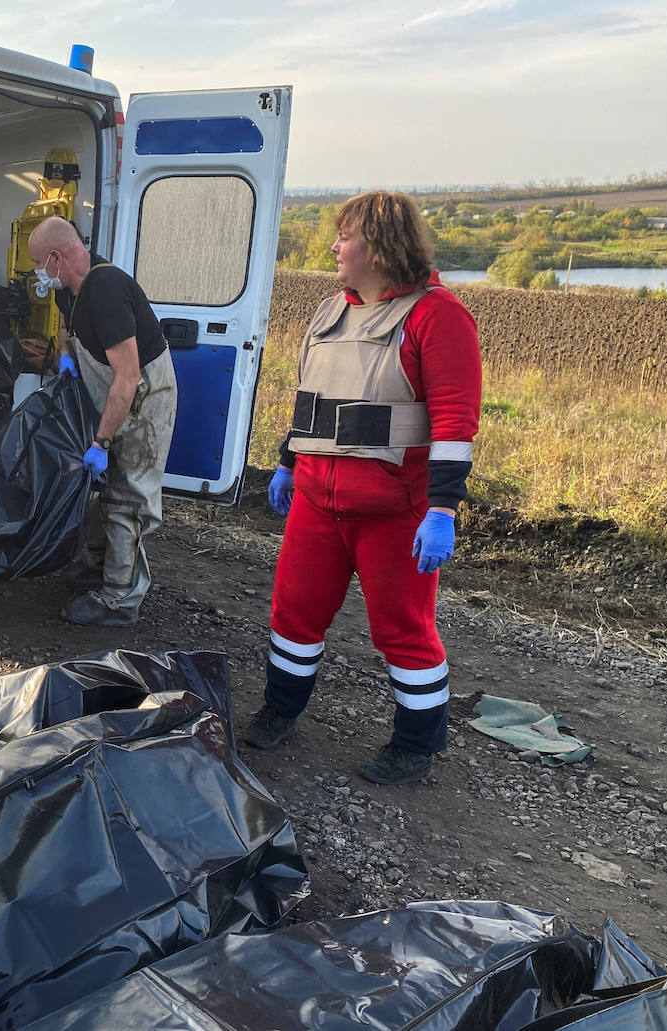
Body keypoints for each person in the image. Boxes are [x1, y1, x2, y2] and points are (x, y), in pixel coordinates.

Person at [247, 191, 481, 785]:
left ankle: (416, 746)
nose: (334, 246)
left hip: (394, 512)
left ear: (376, 247)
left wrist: (443, 509)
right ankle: (279, 710)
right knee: (293, 616)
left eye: (344, 236)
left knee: (403, 631)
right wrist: (286, 462)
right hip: (316, 503)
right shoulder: (329, 313)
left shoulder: (437, 316)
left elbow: (455, 422)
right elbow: (311, 402)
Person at [25, 216, 178, 627]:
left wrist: (102, 443)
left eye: (39, 263)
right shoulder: (68, 292)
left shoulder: (106, 290)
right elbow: (70, 333)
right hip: (110, 393)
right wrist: (66, 362)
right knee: (95, 489)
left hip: (143, 400)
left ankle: (119, 598)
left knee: (126, 497)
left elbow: (128, 377)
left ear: (57, 257)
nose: (38, 273)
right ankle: (97, 563)